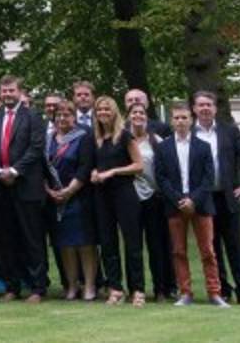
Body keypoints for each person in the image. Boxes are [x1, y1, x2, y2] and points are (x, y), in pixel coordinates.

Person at [154, 102, 229, 307]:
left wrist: (193, 200)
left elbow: (208, 178)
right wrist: (179, 199)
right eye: (176, 118)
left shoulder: (203, 146)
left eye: (184, 117)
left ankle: (215, 293)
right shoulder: (163, 148)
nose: (180, 121)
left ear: (191, 119)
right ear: (171, 121)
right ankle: (185, 293)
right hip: (175, 205)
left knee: (208, 251)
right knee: (178, 251)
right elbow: (161, 179)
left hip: (201, 204)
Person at [0, 75, 48, 302]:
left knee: (32, 239)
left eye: (11, 90)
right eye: (4, 91)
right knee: (6, 240)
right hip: (0, 189)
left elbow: (36, 148)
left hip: (26, 187)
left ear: (20, 92)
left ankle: (38, 287)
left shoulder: (32, 117)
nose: (7, 94)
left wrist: (13, 171)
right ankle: (12, 287)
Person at [191, 90, 240, 303]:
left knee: (235, 246)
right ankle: (222, 290)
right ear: (194, 109)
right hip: (204, 200)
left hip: (228, 197)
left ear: (215, 108)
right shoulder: (188, 133)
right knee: (212, 247)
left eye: (209, 104)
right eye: (201, 105)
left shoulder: (229, 131)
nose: (205, 108)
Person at [91, 95, 145, 306]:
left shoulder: (124, 136)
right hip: (102, 195)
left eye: (107, 109)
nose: (103, 113)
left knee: (132, 243)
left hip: (124, 193)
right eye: (100, 110)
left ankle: (137, 289)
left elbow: (139, 166)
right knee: (108, 243)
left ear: (114, 112)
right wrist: (95, 172)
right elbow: (94, 164)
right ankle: (115, 288)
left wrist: (113, 171)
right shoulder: (95, 138)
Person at [44, 100, 97, 301]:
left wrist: (69, 190)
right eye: (58, 115)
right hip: (55, 200)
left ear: (74, 118)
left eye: (66, 115)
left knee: (85, 244)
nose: (62, 118)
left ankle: (90, 286)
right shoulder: (49, 139)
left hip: (78, 197)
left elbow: (84, 167)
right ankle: (72, 286)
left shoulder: (83, 138)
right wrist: (48, 189)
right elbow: (43, 168)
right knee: (65, 245)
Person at [128, 103, 175, 301]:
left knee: (157, 245)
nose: (138, 115)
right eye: (134, 112)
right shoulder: (123, 139)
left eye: (141, 113)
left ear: (146, 118)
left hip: (154, 199)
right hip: (130, 198)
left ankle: (161, 289)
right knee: (133, 246)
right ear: (128, 116)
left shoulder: (156, 140)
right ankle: (135, 288)